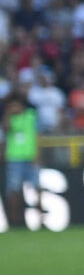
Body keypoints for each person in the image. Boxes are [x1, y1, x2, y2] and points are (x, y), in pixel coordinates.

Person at [2, 83, 37, 229]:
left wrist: (37, 154)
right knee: (14, 191)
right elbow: (5, 129)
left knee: (37, 189)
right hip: (14, 158)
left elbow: (37, 136)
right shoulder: (10, 119)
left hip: (29, 157)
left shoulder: (30, 116)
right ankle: (14, 222)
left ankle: (40, 221)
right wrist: (8, 114)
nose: (15, 108)